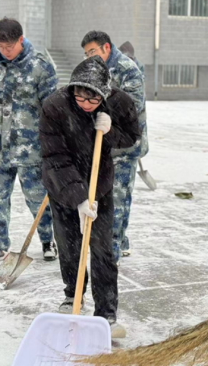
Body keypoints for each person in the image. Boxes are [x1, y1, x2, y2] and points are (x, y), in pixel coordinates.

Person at [39, 56, 141, 338]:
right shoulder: (54, 106)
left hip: (101, 186)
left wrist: (110, 132)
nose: (85, 104)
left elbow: (132, 135)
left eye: (92, 100)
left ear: (104, 95)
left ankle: (106, 313)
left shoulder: (119, 103)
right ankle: (73, 296)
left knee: (102, 250)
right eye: (79, 97)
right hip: (62, 186)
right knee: (70, 246)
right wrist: (79, 198)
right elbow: (55, 157)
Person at [0, 18, 59, 264]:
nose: (5, 51)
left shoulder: (41, 67)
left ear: (21, 40)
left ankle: (47, 240)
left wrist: (54, 139)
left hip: (30, 149)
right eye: (1, 46)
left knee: (36, 199)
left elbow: (52, 107)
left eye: (9, 47)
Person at [81, 31, 148, 263]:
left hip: (124, 145)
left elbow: (133, 104)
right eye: (86, 53)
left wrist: (106, 113)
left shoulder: (127, 69)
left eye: (93, 52)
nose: (89, 57)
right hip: (101, 143)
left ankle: (114, 248)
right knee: (101, 195)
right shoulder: (93, 69)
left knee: (118, 198)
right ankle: (114, 239)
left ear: (106, 48)